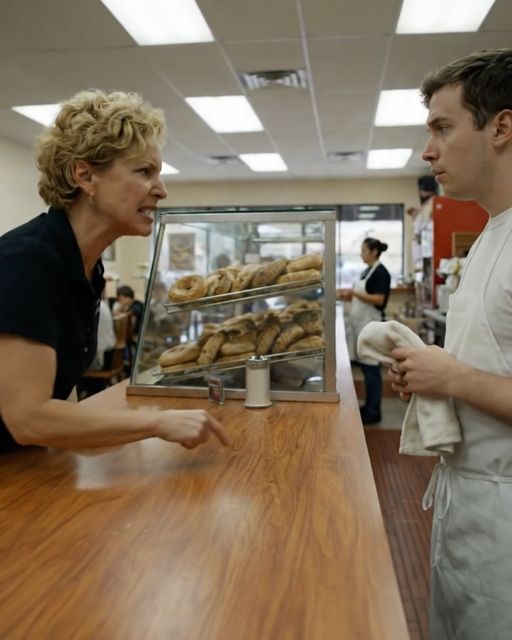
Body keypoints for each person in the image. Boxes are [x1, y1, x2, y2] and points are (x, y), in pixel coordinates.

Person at [0, 89, 229, 452]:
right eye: (145, 172)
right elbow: (28, 418)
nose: (161, 190)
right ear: (85, 176)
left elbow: (56, 393)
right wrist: (156, 421)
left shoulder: (86, 265)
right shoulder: (27, 262)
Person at [388, 49, 512, 640]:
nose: (427, 151)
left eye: (442, 128)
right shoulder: (491, 232)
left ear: (501, 127)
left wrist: (453, 379)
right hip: (472, 512)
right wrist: (432, 375)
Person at [338, 237, 391, 424]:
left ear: (374, 252)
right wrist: (346, 296)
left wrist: (355, 293)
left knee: (372, 370)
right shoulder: (367, 271)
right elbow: (362, 297)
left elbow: (379, 299)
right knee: (367, 370)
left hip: (372, 327)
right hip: (361, 327)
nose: (361, 254)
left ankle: (374, 411)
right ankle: (368, 406)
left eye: (364, 251)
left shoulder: (381, 273)